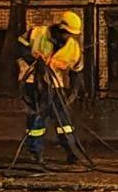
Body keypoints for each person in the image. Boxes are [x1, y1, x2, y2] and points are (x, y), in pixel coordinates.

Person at [19, 10, 86, 164]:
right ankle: (36, 154)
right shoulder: (37, 33)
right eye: (65, 33)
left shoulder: (73, 47)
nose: (67, 36)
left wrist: (74, 92)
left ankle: (72, 151)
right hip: (32, 83)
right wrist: (34, 61)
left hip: (55, 87)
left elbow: (77, 71)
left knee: (64, 122)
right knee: (36, 120)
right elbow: (19, 47)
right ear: (59, 27)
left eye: (70, 34)